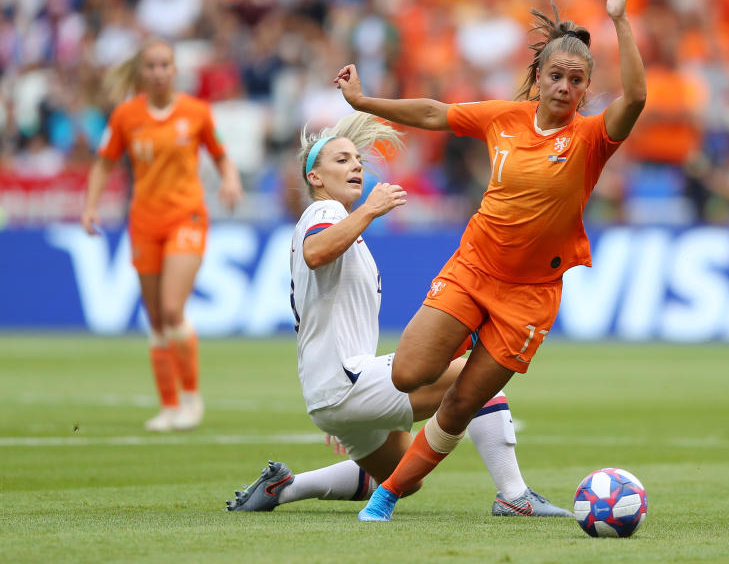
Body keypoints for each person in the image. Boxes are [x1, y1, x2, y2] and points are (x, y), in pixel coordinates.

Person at [335, 0, 647, 521]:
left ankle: (386, 496)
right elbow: (434, 111)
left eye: (577, 80)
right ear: (539, 76)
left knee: (461, 404)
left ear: (585, 89)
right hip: (473, 269)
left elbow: (638, 98)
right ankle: (394, 414)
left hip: (529, 297)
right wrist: (365, 103)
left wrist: (619, 21)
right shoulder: (504, 118)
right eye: (557, 75)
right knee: (409, 373)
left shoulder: (593, 139)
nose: (565, 87)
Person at [226, 111, 570, 517]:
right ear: (314, 178)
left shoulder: (340, 222)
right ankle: (514, 496)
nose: (355, 165)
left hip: (328, 391)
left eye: (356, 158)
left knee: (406, 477)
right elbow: (316, 252)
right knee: (477, 380)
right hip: (344, 380)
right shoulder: (325, 213)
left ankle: (284, 488)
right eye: (340, 160)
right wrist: (369, 211)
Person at [82, 38, 243, 432]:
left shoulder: (196, 112)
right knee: (155, 319)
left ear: (175, 70)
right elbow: (104, 164)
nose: (157, 72)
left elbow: (221, 155)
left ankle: (191, 399)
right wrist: (90, 205)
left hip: (186, 216)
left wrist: (231, 180)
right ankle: (169, 406)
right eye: (150, 66)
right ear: (142, 72)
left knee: (172, 309)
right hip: (144, 222)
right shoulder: (125, 116)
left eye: (164, 65)